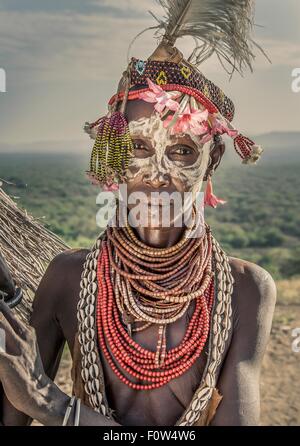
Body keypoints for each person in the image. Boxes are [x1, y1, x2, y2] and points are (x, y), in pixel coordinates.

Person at [0, 0, 276, 426]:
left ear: (213, 159)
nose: (156, 176)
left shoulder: (245, 290)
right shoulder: (68, 280)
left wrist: (52, 406)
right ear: (111, 152)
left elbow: (35, 399)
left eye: (182, 150)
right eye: (138, 148)